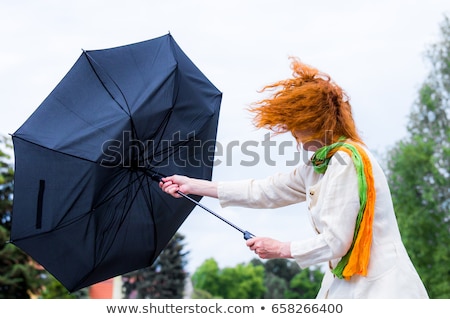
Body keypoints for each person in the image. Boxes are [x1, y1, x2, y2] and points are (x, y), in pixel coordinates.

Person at [159, 58, 429, 299]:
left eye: (296, 128)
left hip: (381, 289)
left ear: (316, 121)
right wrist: (194, 186)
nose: (294, 137)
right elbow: (264, 191)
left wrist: (281, 248)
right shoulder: (319, 165)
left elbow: (337, 241)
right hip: (349, 284)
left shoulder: (346, 161)